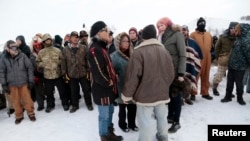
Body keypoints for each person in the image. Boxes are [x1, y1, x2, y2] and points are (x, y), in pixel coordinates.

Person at [122, 24, 175, 141]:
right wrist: (165, 86)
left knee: (145, 121)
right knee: (162, 117)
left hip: (145, 95)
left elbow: (133, 77)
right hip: (162, 93)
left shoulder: (138, 52)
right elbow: (171, 73)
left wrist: (127, 95)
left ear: (143, 37)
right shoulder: (164, 50)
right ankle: (163, 136)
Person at [87, 21, 123, 141]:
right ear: (99, 33)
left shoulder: (102, 47)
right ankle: (104, 136)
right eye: (106, 30)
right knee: (104, 115)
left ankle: (109, 133)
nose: (109, 33)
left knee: (110, 111)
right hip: (102, 89)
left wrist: (114, 75)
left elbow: (107, 66)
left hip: (109, 89)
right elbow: (98, 72)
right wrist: (109, 82)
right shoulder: (94, 49)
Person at [157, 17, 186, 133]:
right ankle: (170, 116)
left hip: (175, 72)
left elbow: (182, 55)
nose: (159, 27)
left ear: (167, 24)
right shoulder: (160, 37)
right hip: (165, 73)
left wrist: (181, 73)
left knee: (176, 97)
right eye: (158, 26)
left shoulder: (177, 35)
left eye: (161, 25)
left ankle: (176, 122)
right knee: (169, 96)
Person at [0, 40, 36, 124]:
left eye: (16, 47)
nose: (15, 49)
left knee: (27, 100)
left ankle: (31, 113)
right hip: (12, 84)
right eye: (13, 47)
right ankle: (19, 115)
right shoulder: (3, 58)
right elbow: (2, 72)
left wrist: (30, 81)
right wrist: (4, 84)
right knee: (15, 101)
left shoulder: (22, 55)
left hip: (24, 82)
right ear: (8, 49)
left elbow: (30, 67)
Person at [110, 32, 138, 132]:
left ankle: (132, 124)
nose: (127, 43)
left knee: (133, 106)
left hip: (133, 85)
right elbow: (110, 70)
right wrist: (115, 73)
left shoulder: (133, 53)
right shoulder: (114, 56)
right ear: (118, 42)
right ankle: (122, 124)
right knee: (122, 107)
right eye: (124, 41)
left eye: (128, 41)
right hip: (121, 85)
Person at [36, 33, 70, 113]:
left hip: (58, 74)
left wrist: (57, 63)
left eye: (49, 40)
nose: (48, 41)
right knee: (49, 92)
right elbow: (37, 62)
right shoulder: (41, 52)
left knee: (62, 91)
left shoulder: (57, 50)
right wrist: (43, 64)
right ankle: (50, 105)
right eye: (46, 40)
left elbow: (62, 60)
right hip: (47, 76)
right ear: (44, 42)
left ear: (51, 40)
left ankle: (65, 103)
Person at [61, 31, 93, 113]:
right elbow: (63, 62)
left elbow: (88, 59)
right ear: (70, 38)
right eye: (74, 37)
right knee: (74, 91)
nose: (76, 39)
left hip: (83, 73)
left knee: (86, 90)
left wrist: (88, 71)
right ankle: (75, 105)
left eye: (77, 37)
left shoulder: (83, 47)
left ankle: (89, 104)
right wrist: (65, 74)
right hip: (72, 74)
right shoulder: (65, 50)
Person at [221, 23, 250, 105]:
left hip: (240, 67)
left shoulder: (246, 40)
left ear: (241, 31)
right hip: (232, 65)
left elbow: (248, 54)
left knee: (239, 83)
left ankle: (240, 98)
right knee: (229, 82)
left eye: (236, 30)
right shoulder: (238, 38)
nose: (235, 32)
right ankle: (228, 96)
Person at [190, 17, 213, 100]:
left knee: (206, 75)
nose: (202, 25)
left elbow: (211, 46)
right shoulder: (193, 34)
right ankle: (192, 93)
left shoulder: (208, 34)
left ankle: (205, 92)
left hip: (207, 57)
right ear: (197, 25)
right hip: (197, 58)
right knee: (195, 75)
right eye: (200, 23)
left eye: (203, 23)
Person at [212, 22, 238, 96]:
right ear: (229, 28)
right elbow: (217, 48)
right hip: (223, 59)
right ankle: (214, 88)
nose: (233, 30)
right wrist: (218, 57)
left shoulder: (238, 38)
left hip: (234, 60)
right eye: (232, 28)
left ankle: (229, 92)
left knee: (231, 77)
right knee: (219, 75)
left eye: (235, 29)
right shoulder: (223, 37)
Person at [181, 25, 203, 105]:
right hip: (180, 65)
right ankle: (180, 98)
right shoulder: (178, 41)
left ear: (187, 31)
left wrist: (198, 59)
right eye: (182, 30)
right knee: (180, 82)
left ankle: (187, 98)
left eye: (185, 30)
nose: (183, 31)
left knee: (189, 81)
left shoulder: (192, 42)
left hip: (190, 65)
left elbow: (198, 53)